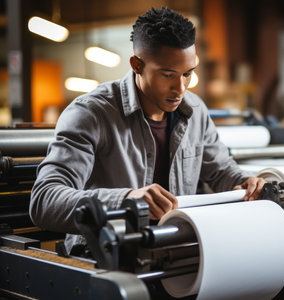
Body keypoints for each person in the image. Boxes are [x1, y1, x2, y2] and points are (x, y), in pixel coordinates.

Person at [30, 7, 265, 255]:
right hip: (106, 257)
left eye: (187, 74)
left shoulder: (195, 111)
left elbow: (220, 172)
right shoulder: (90, 114)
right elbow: (45, 201)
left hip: (175, 254)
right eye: (168, 74)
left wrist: (245, 181)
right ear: (137, 65)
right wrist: (126, 200)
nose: (181, 88)